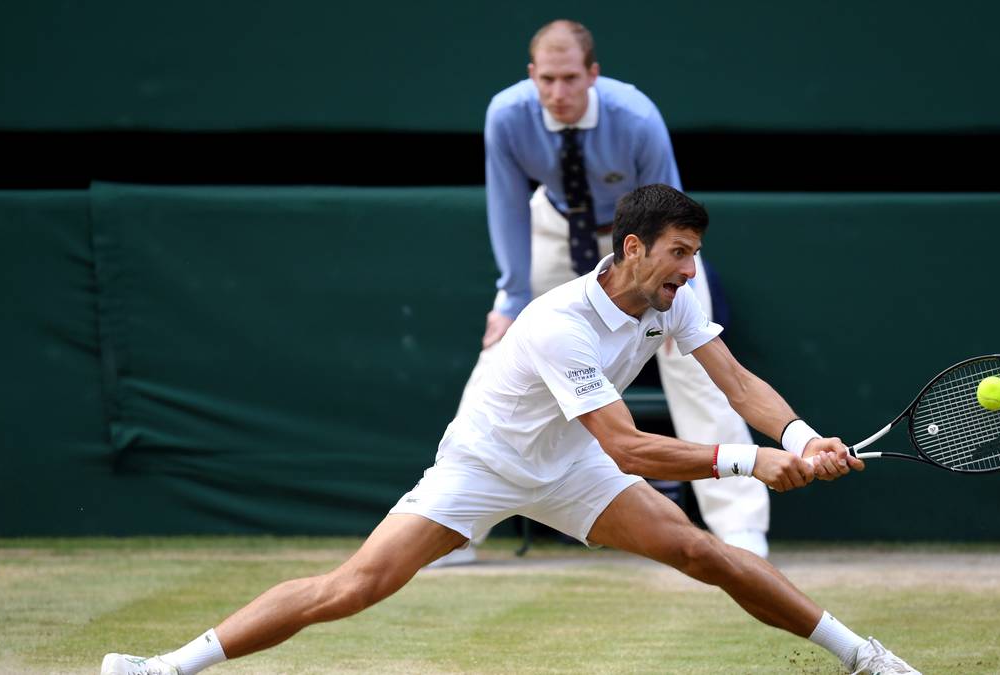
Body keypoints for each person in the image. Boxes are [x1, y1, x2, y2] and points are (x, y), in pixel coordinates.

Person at [101, 184, 920, 675]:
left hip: (574, 470)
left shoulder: (676, 299)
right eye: (677, 252)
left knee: (705, 552)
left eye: (695, 253)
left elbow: (736, 381)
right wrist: (752, 462)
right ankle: (167, 665)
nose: (689, 269)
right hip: (484, 464)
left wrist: (805, 435)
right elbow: (628, 445)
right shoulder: (556, 321)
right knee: (353, 588)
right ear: (633, 247)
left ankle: (864, 656)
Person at [445, 18, 771, 563]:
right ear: (532, 76)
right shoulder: (507, 114)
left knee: (697, 370)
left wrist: (668, 282)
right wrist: (511, 295)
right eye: (546, 79)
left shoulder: (636, 115)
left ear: (593, 74)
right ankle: (453, 524)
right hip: (552, 226)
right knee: (498, 356)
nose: (558, 93)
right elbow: (505, 204)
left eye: (570, 78)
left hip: (645, 242)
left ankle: (741, 528)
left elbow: (671, 211)